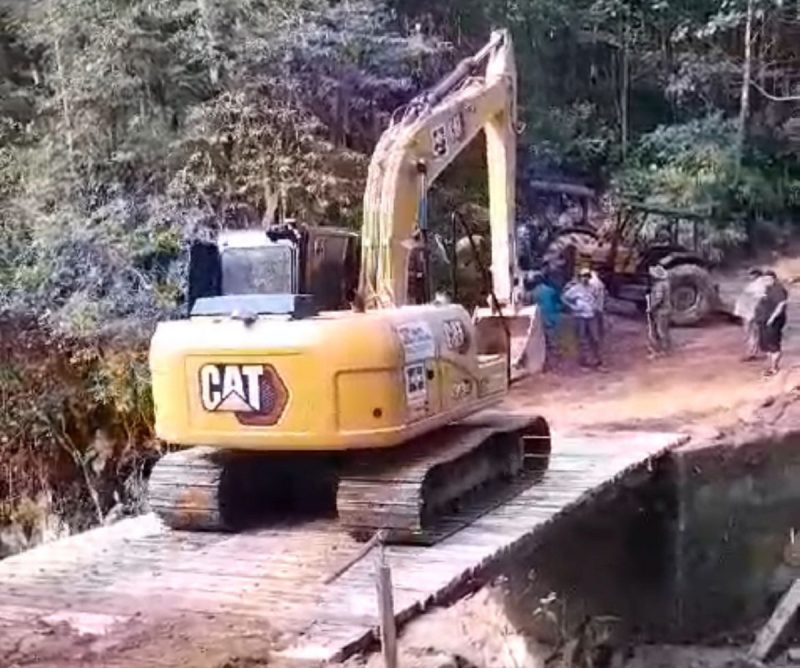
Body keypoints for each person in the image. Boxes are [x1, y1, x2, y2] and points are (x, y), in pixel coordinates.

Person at [562, 267, 602, 368]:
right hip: (580, 316)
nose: (585, 278)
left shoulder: (593, 288)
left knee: (595, 338)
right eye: (583, 276)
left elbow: (598, 297)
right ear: (580, 278)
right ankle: (584, 360)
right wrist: (572, 307)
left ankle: (596, 358)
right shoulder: (575, 289)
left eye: (587, 276)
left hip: (591, 315)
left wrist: (596, 307)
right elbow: (564, 298)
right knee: (582, 338)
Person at [754, 270, 788, 377]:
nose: (765, 281)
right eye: (764, 279)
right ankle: (771, 366)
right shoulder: (767, 289)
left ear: (773, 279)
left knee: (773, 344)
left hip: (773, 321)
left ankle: (774, 367)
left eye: (767, 279)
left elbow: (781, 305)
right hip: (763, 320)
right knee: (765, 344)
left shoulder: (778, 289)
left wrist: (772, 318)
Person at [525, 271, 562, 370]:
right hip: (551, 319)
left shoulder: (531, 293)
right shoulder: (551, 290)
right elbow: (559, 303)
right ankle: (554, 364)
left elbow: (528, 306)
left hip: (538, 320)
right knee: (553, 343)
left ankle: (543, 364)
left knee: (541, 344)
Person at [734, 268, 770, 361]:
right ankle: (756, 352)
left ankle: (752, 353)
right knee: (755, 333)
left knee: (751, 334)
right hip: (753, 312)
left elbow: (757, 299)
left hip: (751, 313)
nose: (749, 276)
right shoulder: (762, 285)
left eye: (751, 274)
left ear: (755, 275)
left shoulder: (757, 286)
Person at [647, 265, 672, 357]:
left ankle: (664, 350)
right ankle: (666, 348)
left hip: (661, 311)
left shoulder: (659, 286)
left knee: (661, 331)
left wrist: (651, 308)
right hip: (666, 310)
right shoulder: (666, 283)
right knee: (664, 330)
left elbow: (658, 299)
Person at [588, 270, 607, 345]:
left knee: (592, 326)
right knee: (599, 326)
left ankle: (594, 341)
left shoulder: (591, 283)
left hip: (593, 309)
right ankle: (600, 340)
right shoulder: (600, 283)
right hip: (599, 307)